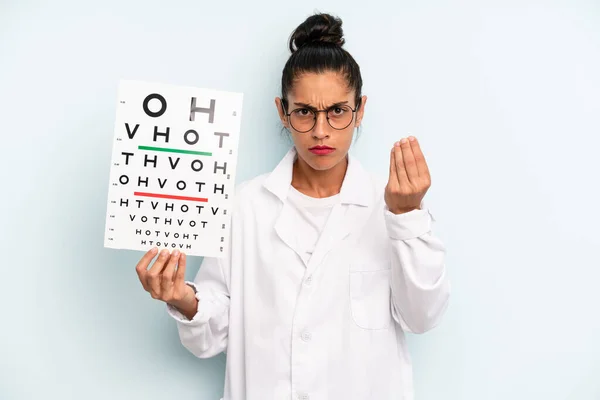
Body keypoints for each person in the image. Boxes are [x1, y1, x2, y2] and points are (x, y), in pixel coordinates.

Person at [135, 12, 450, 400]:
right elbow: (209, 338)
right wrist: (182, 297)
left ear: (360, 109)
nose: (321, 130)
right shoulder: (244, 207)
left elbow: (422, 317)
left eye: (337, 111)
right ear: (282, 111)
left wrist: (406, 218)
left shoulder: (391, 206)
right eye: (304, 112)